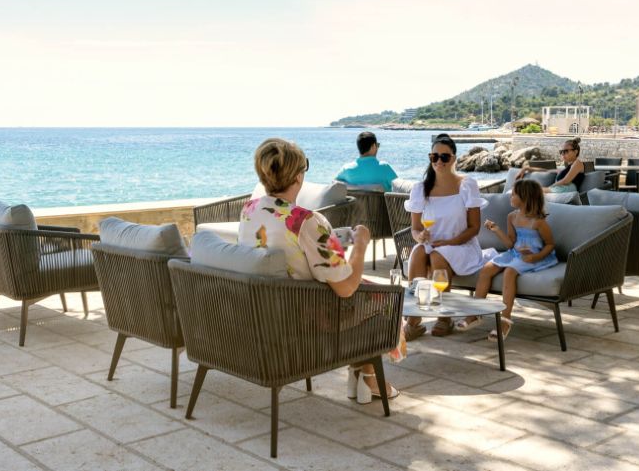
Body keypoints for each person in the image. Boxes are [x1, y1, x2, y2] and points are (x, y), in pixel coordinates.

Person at [238, 138, 404, 404]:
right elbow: (345, 287)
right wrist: (361, 244)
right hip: (307, 317)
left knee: (368, 289)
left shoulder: (249, 211)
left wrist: (328, 242)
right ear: (298, 176)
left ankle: (362, 375)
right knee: (384, 298)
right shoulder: (306, 221)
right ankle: (368, 376)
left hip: (266, 310)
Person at [404, 134, 487, 340]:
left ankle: (444, 316)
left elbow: (474, 228)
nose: (439, 161)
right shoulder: (420, 189)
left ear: (454, 159)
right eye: (434, 157)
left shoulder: (466, 185)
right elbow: (415, 229)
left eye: (444, 157)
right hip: (432, 244)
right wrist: (420, 236)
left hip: (462, 245)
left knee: (437, 255)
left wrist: (449, 242)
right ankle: (414, 319)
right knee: (418, 252)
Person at [456, 179, 558, 339]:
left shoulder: (539, 222)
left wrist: (536, 256)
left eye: (514, 194)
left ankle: (505, 320)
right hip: (515, 253)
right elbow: (510, 244)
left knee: (509, 272)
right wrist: (496, 230)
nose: (510, 196)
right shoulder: (512, 217)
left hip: (534, 257)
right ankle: (475, 313)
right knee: (486, 269)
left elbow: (550, 244)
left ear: (525, 198)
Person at [517, 137, 585, 194]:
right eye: (561, 152)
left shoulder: (577, 163)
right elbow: (546, 171)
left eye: (566, 151)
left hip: (566, 189)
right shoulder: (566, 170)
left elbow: (566, 181)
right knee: (527, 190)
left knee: (529, 190)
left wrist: (551, 187)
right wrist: (526, 168)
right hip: (561, 189)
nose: (563, 154)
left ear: (575, 152)